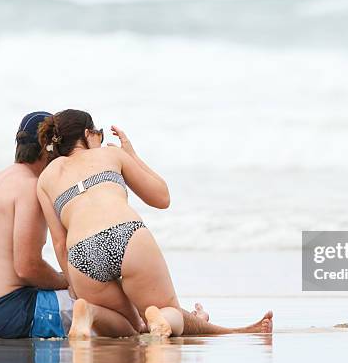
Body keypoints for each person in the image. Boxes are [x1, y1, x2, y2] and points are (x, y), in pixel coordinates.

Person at [36, 109, 272, 338]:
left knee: (129, 327)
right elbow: (161, 197)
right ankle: (162, 318)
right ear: (87, 134)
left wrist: (78, 290)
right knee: (167, 310)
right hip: (126, 235)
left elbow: (58, 243)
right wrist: (132, 156)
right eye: (99, 134)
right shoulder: (111, 155)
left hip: (81, 253)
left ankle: (89, 312)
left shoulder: (45, 179)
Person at [0, 112, 74, 339]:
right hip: (12, 313)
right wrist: (66, 281)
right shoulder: (30, 188)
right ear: (48, 149)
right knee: (99, 303)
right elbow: (27, 267)